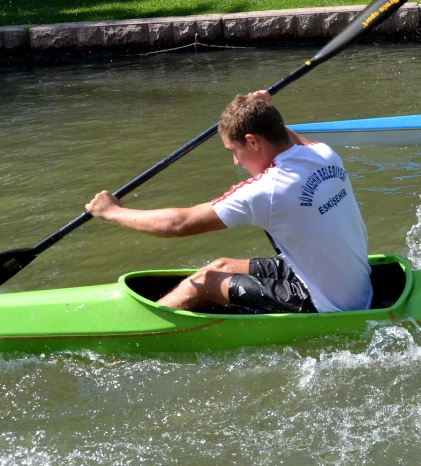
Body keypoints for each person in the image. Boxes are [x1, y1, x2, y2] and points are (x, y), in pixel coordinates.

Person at [84, 91, 373, 314]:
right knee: (221, 264)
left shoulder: (267, 190)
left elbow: (178, 223)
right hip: (352, 283)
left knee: (209, 280)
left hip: (326, 303)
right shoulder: (323, 154)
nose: (236, 161)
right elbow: (287, 138)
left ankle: (140, 330)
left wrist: (112, 212)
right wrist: (268, 111)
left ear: (253, 141)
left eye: (233, 151)